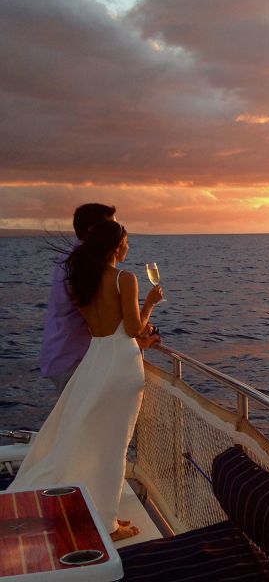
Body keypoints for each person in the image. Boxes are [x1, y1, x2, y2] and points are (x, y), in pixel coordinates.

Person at [11, 220, 164, 541]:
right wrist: (150, 303)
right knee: (113, 444)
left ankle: (96, 510)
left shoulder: (81, 282)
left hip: (95, 362)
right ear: (115, 247)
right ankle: (107, 524)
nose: (128, 247)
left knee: (94, 438)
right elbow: (134, 329)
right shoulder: (126, 278)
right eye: (126, 241)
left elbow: (107, 330)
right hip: (122, 366)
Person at [41, 204, 161, 394]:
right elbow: (111, 322)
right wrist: (144, 316)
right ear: (92, 231)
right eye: (112, 227)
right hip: (77, 359)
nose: (117, 232)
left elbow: (99, 315)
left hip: (67, 355)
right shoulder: (81, 265)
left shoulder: (74, 259)